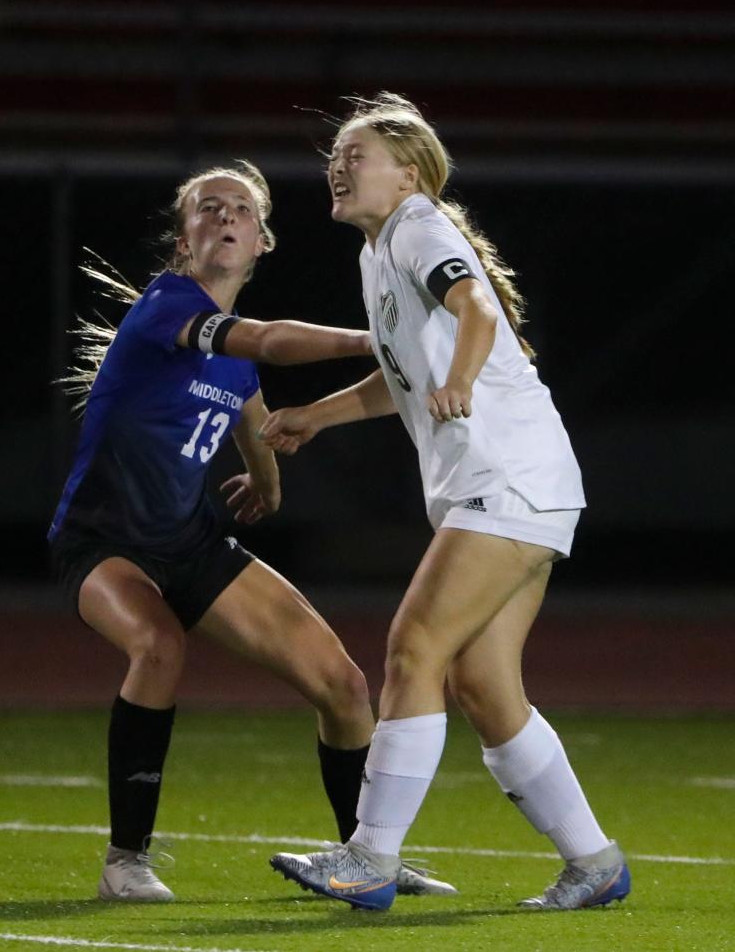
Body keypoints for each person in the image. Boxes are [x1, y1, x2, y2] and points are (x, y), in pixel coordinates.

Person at [48, 160, 455, 903]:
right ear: (184, 239)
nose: (225, 216)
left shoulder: (233, 364)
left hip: (189, 543)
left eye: (240, 208)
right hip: (102, 541)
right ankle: (124, 859)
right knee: (158, 644)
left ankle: (366, 857)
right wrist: (381, 342)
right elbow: (264, 342)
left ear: (262, 240)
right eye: (208, 208)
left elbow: (253, 420)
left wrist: (266, 485)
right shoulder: (167, 306)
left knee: (342, 684)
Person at [263, 95, 630, 912]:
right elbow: (400, 379)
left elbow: (471, 314)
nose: (338, 163)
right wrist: (316, 416)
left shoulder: (420, 226)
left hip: (505, 477)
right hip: (522, 483)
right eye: (336, 153)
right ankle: (596, 863)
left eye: (355, 153)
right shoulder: (382, 251)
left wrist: (461, 377)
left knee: (414, 646)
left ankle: (369, 857)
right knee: (484, 684)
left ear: (409, 172)